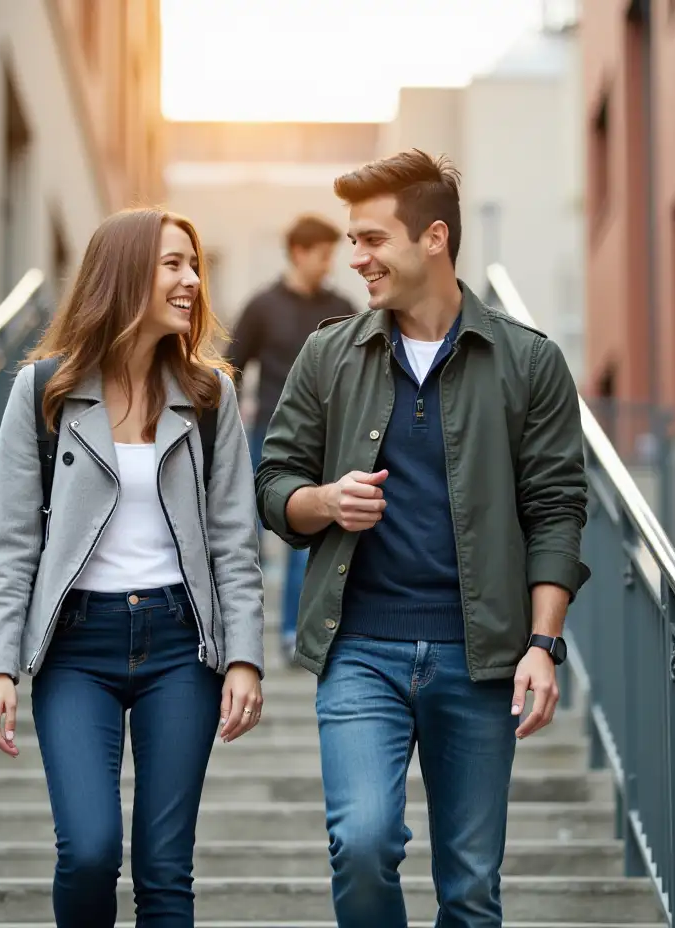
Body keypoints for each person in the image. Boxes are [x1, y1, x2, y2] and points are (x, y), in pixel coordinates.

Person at [255, 150, 590, 927]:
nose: (356, 257)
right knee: (363, 844)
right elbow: (273, 486)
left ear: (434, 238)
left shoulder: (529, 361)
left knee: (470, 890)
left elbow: (557, 510)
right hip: (359, 649)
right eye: (352, 240)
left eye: (373, 240)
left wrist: (543, 644)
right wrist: (324, 502)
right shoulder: (328, 353)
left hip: (478, 660)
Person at [0, 207, 266, 927]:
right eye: (174, 265)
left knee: (165, 870)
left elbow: (234, 538)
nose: (192, 281)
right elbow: (11, 542)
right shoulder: (42, 391)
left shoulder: (208, 396)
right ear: (126, 273)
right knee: (90, 850)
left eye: (193, 266)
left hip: (179, 644)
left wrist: (244, 659)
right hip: (77, 646)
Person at [227, 215, 355, 663]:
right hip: (267, 434)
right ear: (299, 253)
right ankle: (244, 637)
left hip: (327, 440)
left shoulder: (343, 306)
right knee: (253, 538)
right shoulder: (261, 306)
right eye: (323, 254)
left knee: (309, 538)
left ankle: (294, 633)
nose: (330, 264)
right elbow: (231, 367)